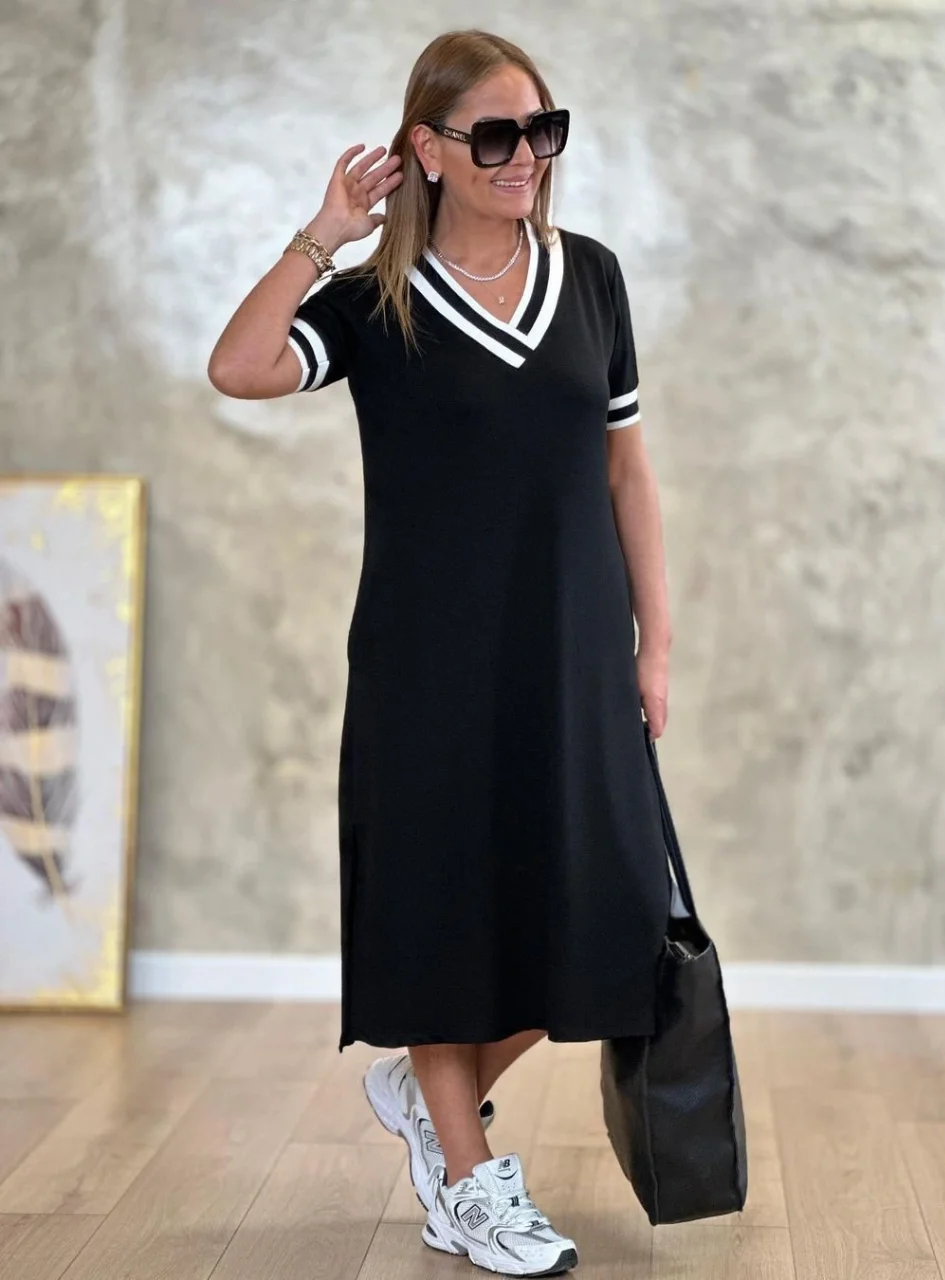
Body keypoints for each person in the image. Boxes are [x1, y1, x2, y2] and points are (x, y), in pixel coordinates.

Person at [208, 27, 673, 1278]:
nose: (526, 157)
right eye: (496, 135)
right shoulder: (378, 302)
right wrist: (323, 235)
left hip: (573, 652)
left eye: (542, 131)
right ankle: (468, 1183)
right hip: (427, 665)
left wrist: (656, 642)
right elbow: (240, 366)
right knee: (445, 913)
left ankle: (430, 1101)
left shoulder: (590, 277)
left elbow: (626, 470)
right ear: (427, 147)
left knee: (620, 919)